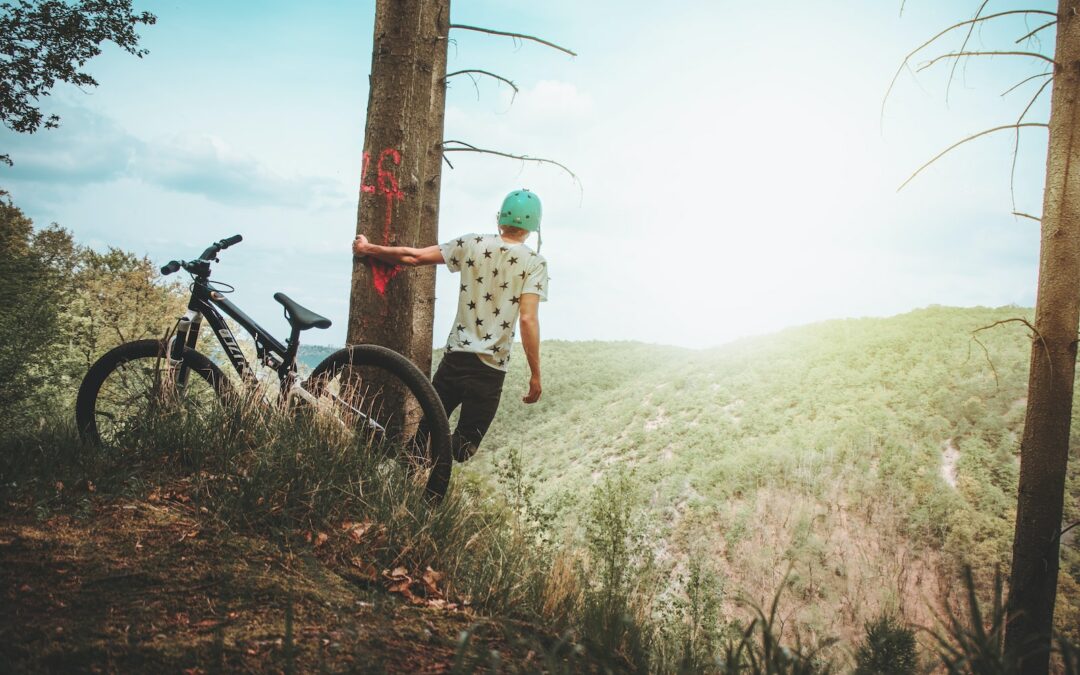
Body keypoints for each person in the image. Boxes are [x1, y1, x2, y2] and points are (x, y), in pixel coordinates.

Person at [351, 188, 548, 463]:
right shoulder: (534, 263)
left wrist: (368, 249)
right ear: (533, 228)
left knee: (423, 443)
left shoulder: (472, 243)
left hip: (455, 359)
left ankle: (394, 474)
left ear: (500, 218)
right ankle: (414, 485)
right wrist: (535, 374)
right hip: (490, 370)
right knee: (463, 448)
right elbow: (528, 318)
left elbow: (414, 257)